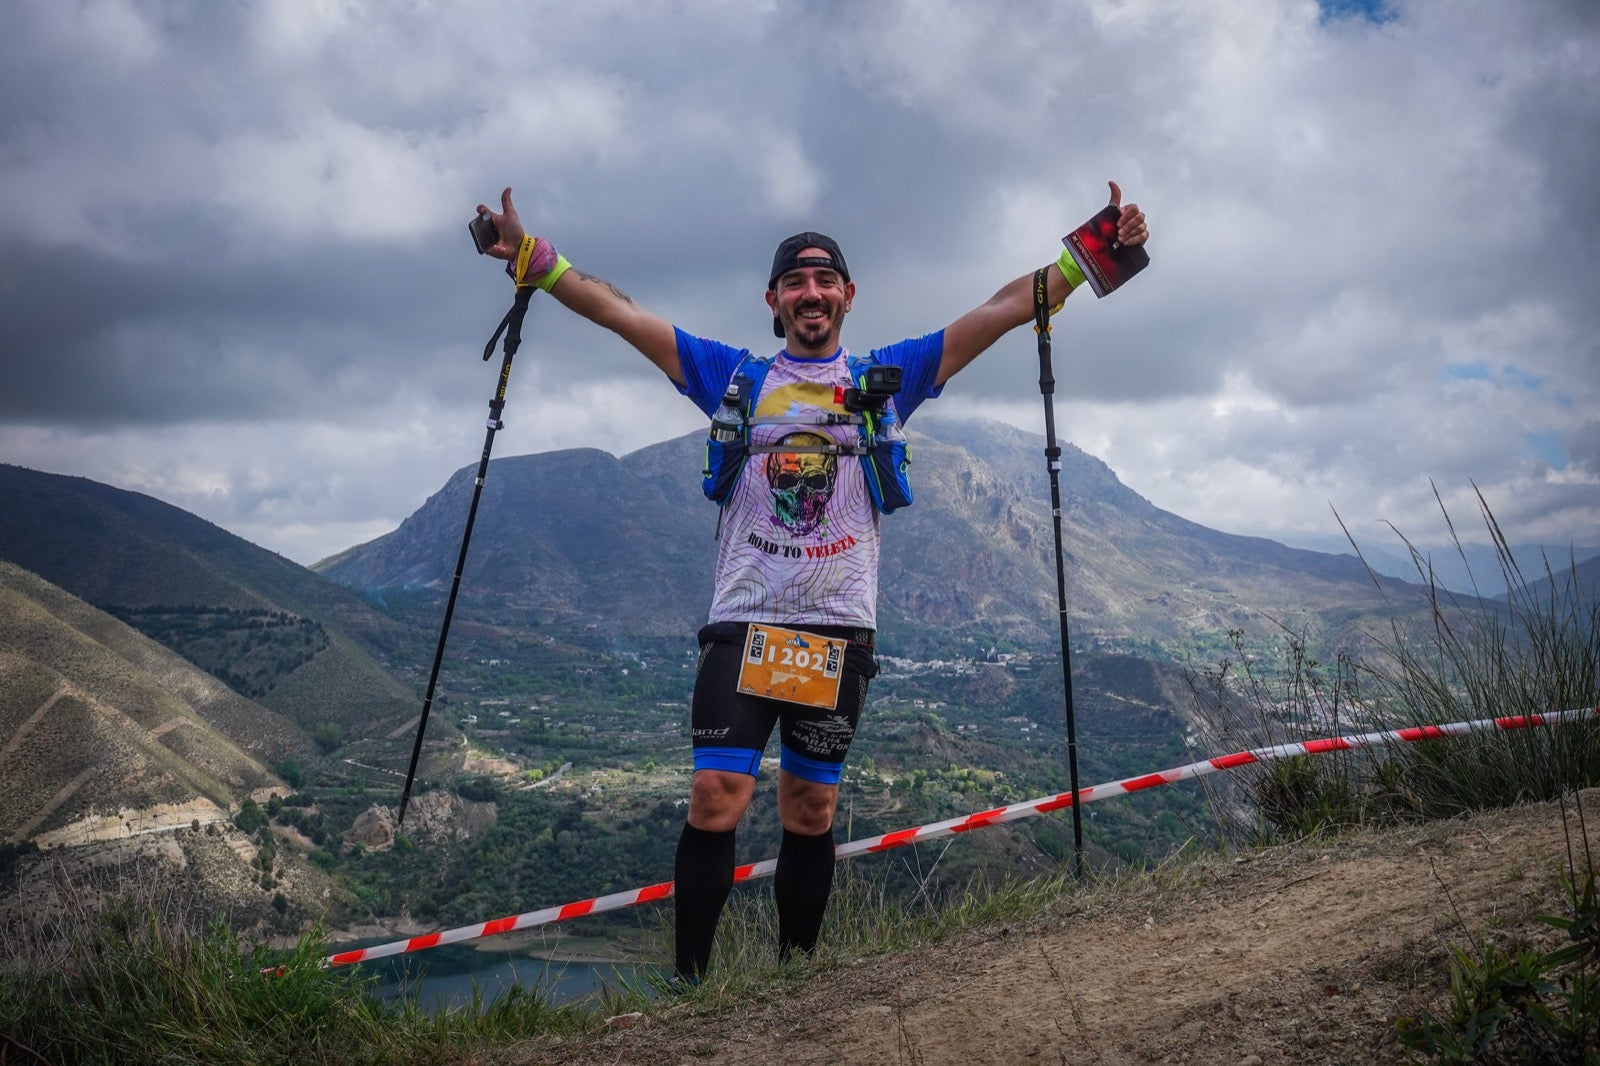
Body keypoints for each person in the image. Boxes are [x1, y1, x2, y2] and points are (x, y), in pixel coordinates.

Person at [471, 184, 1149, 980]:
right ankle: (691, 984)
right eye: (795, 281)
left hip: (834, 630)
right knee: (716, 797)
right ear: (773, 300)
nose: (811, 293)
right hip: (745, 622)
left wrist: (1094, 252)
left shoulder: (889, 375)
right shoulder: (736, 377)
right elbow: (623, 315)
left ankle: (795, 982)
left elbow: (1002, 310)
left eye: (825, 280)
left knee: (810, 807)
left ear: (848, 296)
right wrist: (528, 257)